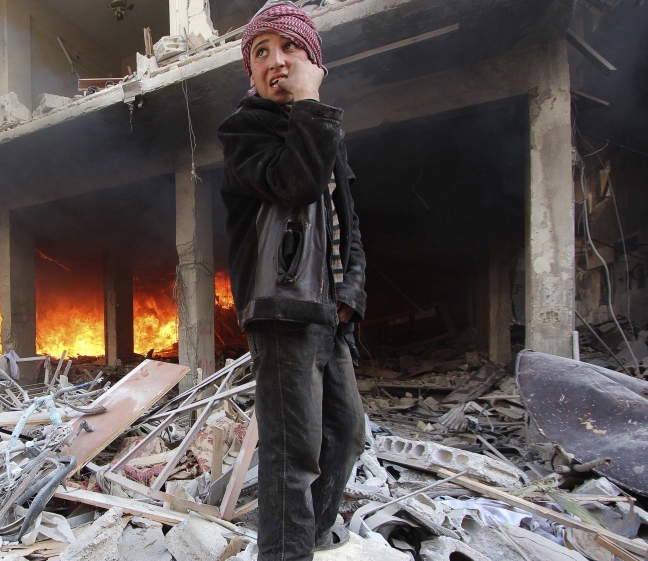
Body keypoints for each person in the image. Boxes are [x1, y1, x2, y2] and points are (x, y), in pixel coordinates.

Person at [217, 2, 368, 559]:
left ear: (314, 59)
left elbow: (349, 226)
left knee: (346, 435)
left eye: (289, 48)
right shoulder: (244, 132)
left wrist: (351, 295)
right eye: (261, 53)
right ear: (250, 73)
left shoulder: (324, 132)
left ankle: (311, 539)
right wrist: (311, 105)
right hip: (281, 314)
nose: (276, 62)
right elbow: (293, 186)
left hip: (329, 316)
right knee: (292, 456)